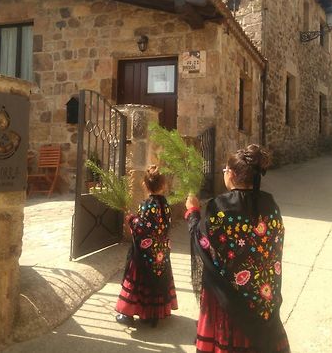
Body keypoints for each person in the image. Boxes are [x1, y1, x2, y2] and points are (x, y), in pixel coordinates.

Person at [185, 144, 290, 353]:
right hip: (262, 296)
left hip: (228, 298)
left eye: (225, 170)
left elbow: (203, 243)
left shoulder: (219, 206)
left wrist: (193, 213)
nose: (224, 174)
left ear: (231, 174)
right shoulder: (270, 204)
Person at [115, 165, 178, 327]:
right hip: (160, 252)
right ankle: (155, 312)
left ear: (145, 185)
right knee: (158, 278)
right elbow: (161, 225)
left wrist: (131, 220)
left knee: (138, 279)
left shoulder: (147, 204)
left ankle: (128, 313)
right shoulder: (165, 205)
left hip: (145, 253)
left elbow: (143, 228)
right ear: (163, 185)